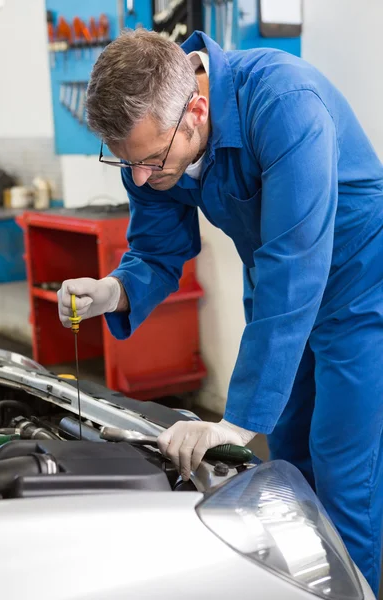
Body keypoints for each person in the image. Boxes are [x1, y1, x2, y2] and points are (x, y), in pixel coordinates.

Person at [57, 29, 383, 593]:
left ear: (196, 112)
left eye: (151, 161)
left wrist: (234, 422)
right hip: (277, 284)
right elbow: (157, 249)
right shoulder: (152, 140)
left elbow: (295, 260)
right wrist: (112, 290)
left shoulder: (285, 104)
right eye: (124, 162)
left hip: (360, 283)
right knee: (289, 459)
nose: (139, 178)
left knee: (343, 470)